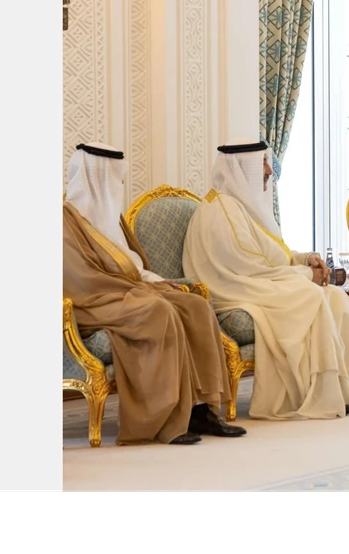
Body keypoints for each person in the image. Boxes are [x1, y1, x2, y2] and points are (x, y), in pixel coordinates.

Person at [182, 138, 349, 420]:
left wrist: (306, 259)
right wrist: (306, 276)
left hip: (259, 284)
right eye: (262, 163)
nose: (268, 170)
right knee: (311, 295)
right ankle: (318, 392)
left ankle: (345, 388)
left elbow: (272, 255)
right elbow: (250, 268)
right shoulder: (221, 211)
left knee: (336, 297)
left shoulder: (242, 206)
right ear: (243, 168)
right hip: (235, 291)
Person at [63, 142, 247, 445]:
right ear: (98, 177)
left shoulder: (109, 217)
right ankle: (164, 420)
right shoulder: (65, 223)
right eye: (117, 177)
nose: (122, 182)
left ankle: (201, 411)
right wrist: (139, 289)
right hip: (92, 303)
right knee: (158, 311)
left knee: (195, 305)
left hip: (125, 293)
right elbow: (81, 281)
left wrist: (158, 281)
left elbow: (132, 266)